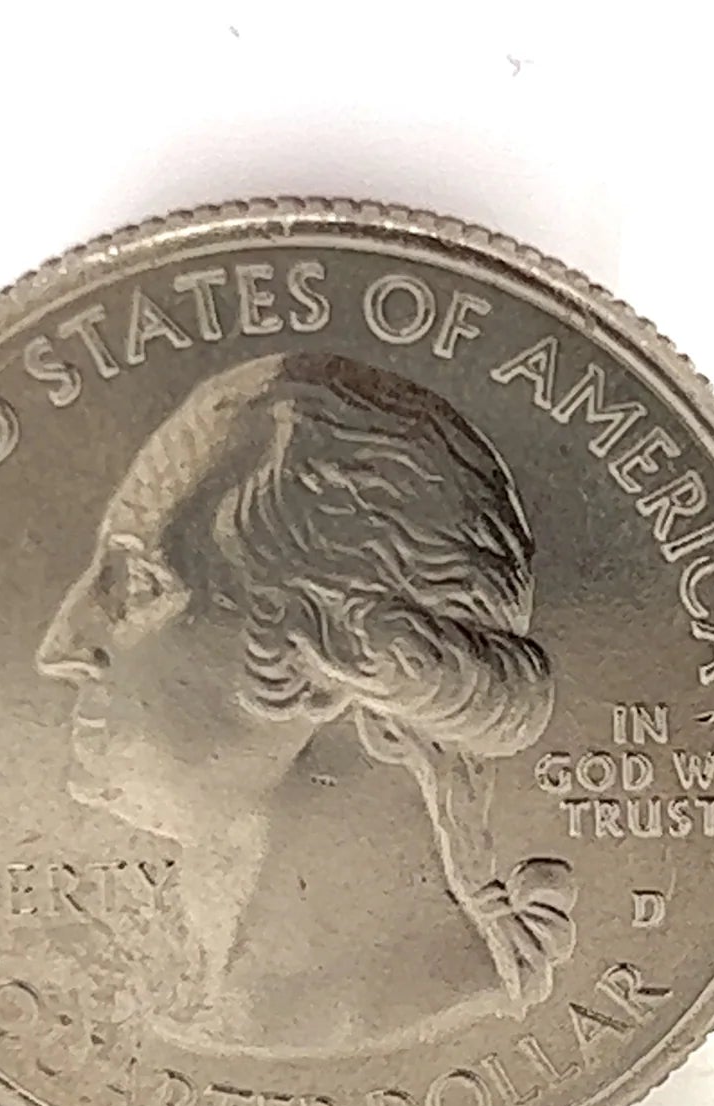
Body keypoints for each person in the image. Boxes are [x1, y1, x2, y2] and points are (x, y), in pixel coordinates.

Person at [36, 352, 575, 1056]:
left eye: (142, 584)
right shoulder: (192, 999)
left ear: (335, 653)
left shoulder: (336, 1021)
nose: (62, 647)